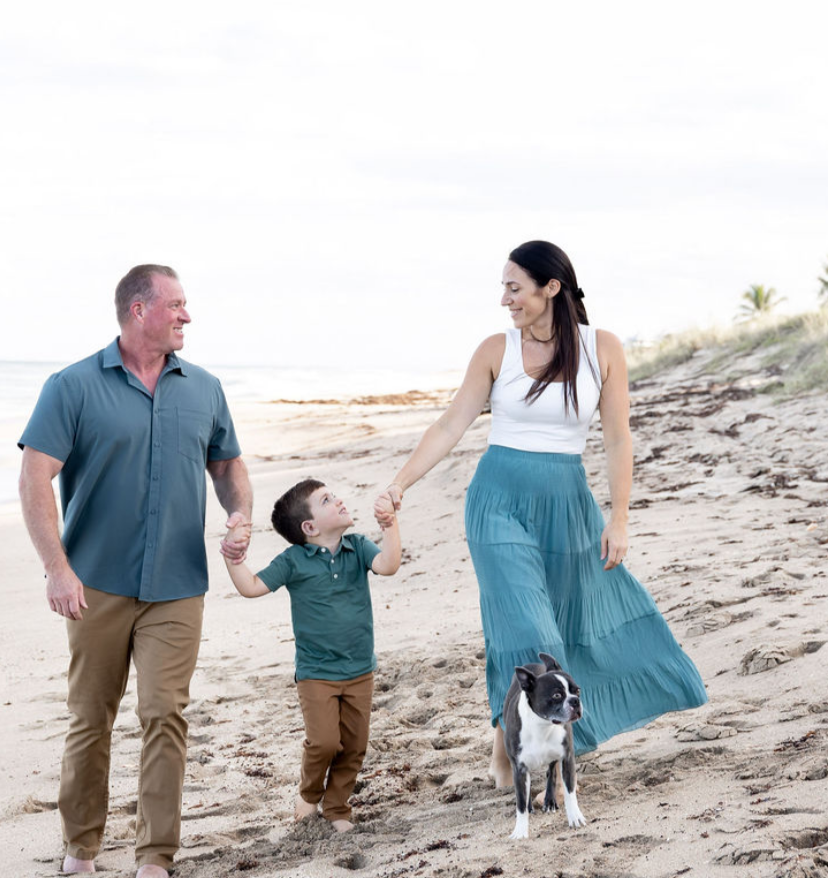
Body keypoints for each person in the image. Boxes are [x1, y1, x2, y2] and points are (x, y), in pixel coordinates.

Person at [374, 240, 706, 784]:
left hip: (567, 508)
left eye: (515, 288)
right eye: (503, 288)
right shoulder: (495, 350)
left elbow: (618, 438)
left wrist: (620, 517)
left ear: (551, 287)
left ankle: (511, 743)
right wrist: (399, 483)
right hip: (497, 504)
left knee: (566, 628)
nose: (505, 299)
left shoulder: (602, 349)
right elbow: (450, 424)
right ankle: (518, 749)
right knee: (529, 630)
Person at [18, 264, 253, 878]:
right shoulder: (71, 386)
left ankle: (155, 857)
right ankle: (81, 849)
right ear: (139, 310)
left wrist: (240, 514)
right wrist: (56, 569)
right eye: (175, 305)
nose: (186, 315)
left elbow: (227, 466)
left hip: (177, 585)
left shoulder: (204, 388)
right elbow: (34, 476)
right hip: (93, 584)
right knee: (90, 718)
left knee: (165, 714)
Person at [222, 478, 402, 831]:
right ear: (309, 527)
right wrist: (233, 558)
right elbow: (251, 586)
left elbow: (389, 564)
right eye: (326, 500)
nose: (339, 500)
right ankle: (309, 794)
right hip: (316, 673)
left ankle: (337, 808)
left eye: (334, 495)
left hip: (360, 670)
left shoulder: (358, 547)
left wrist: (390, 525)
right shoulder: (294, 561)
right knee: (324, 742)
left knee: (354, 746)